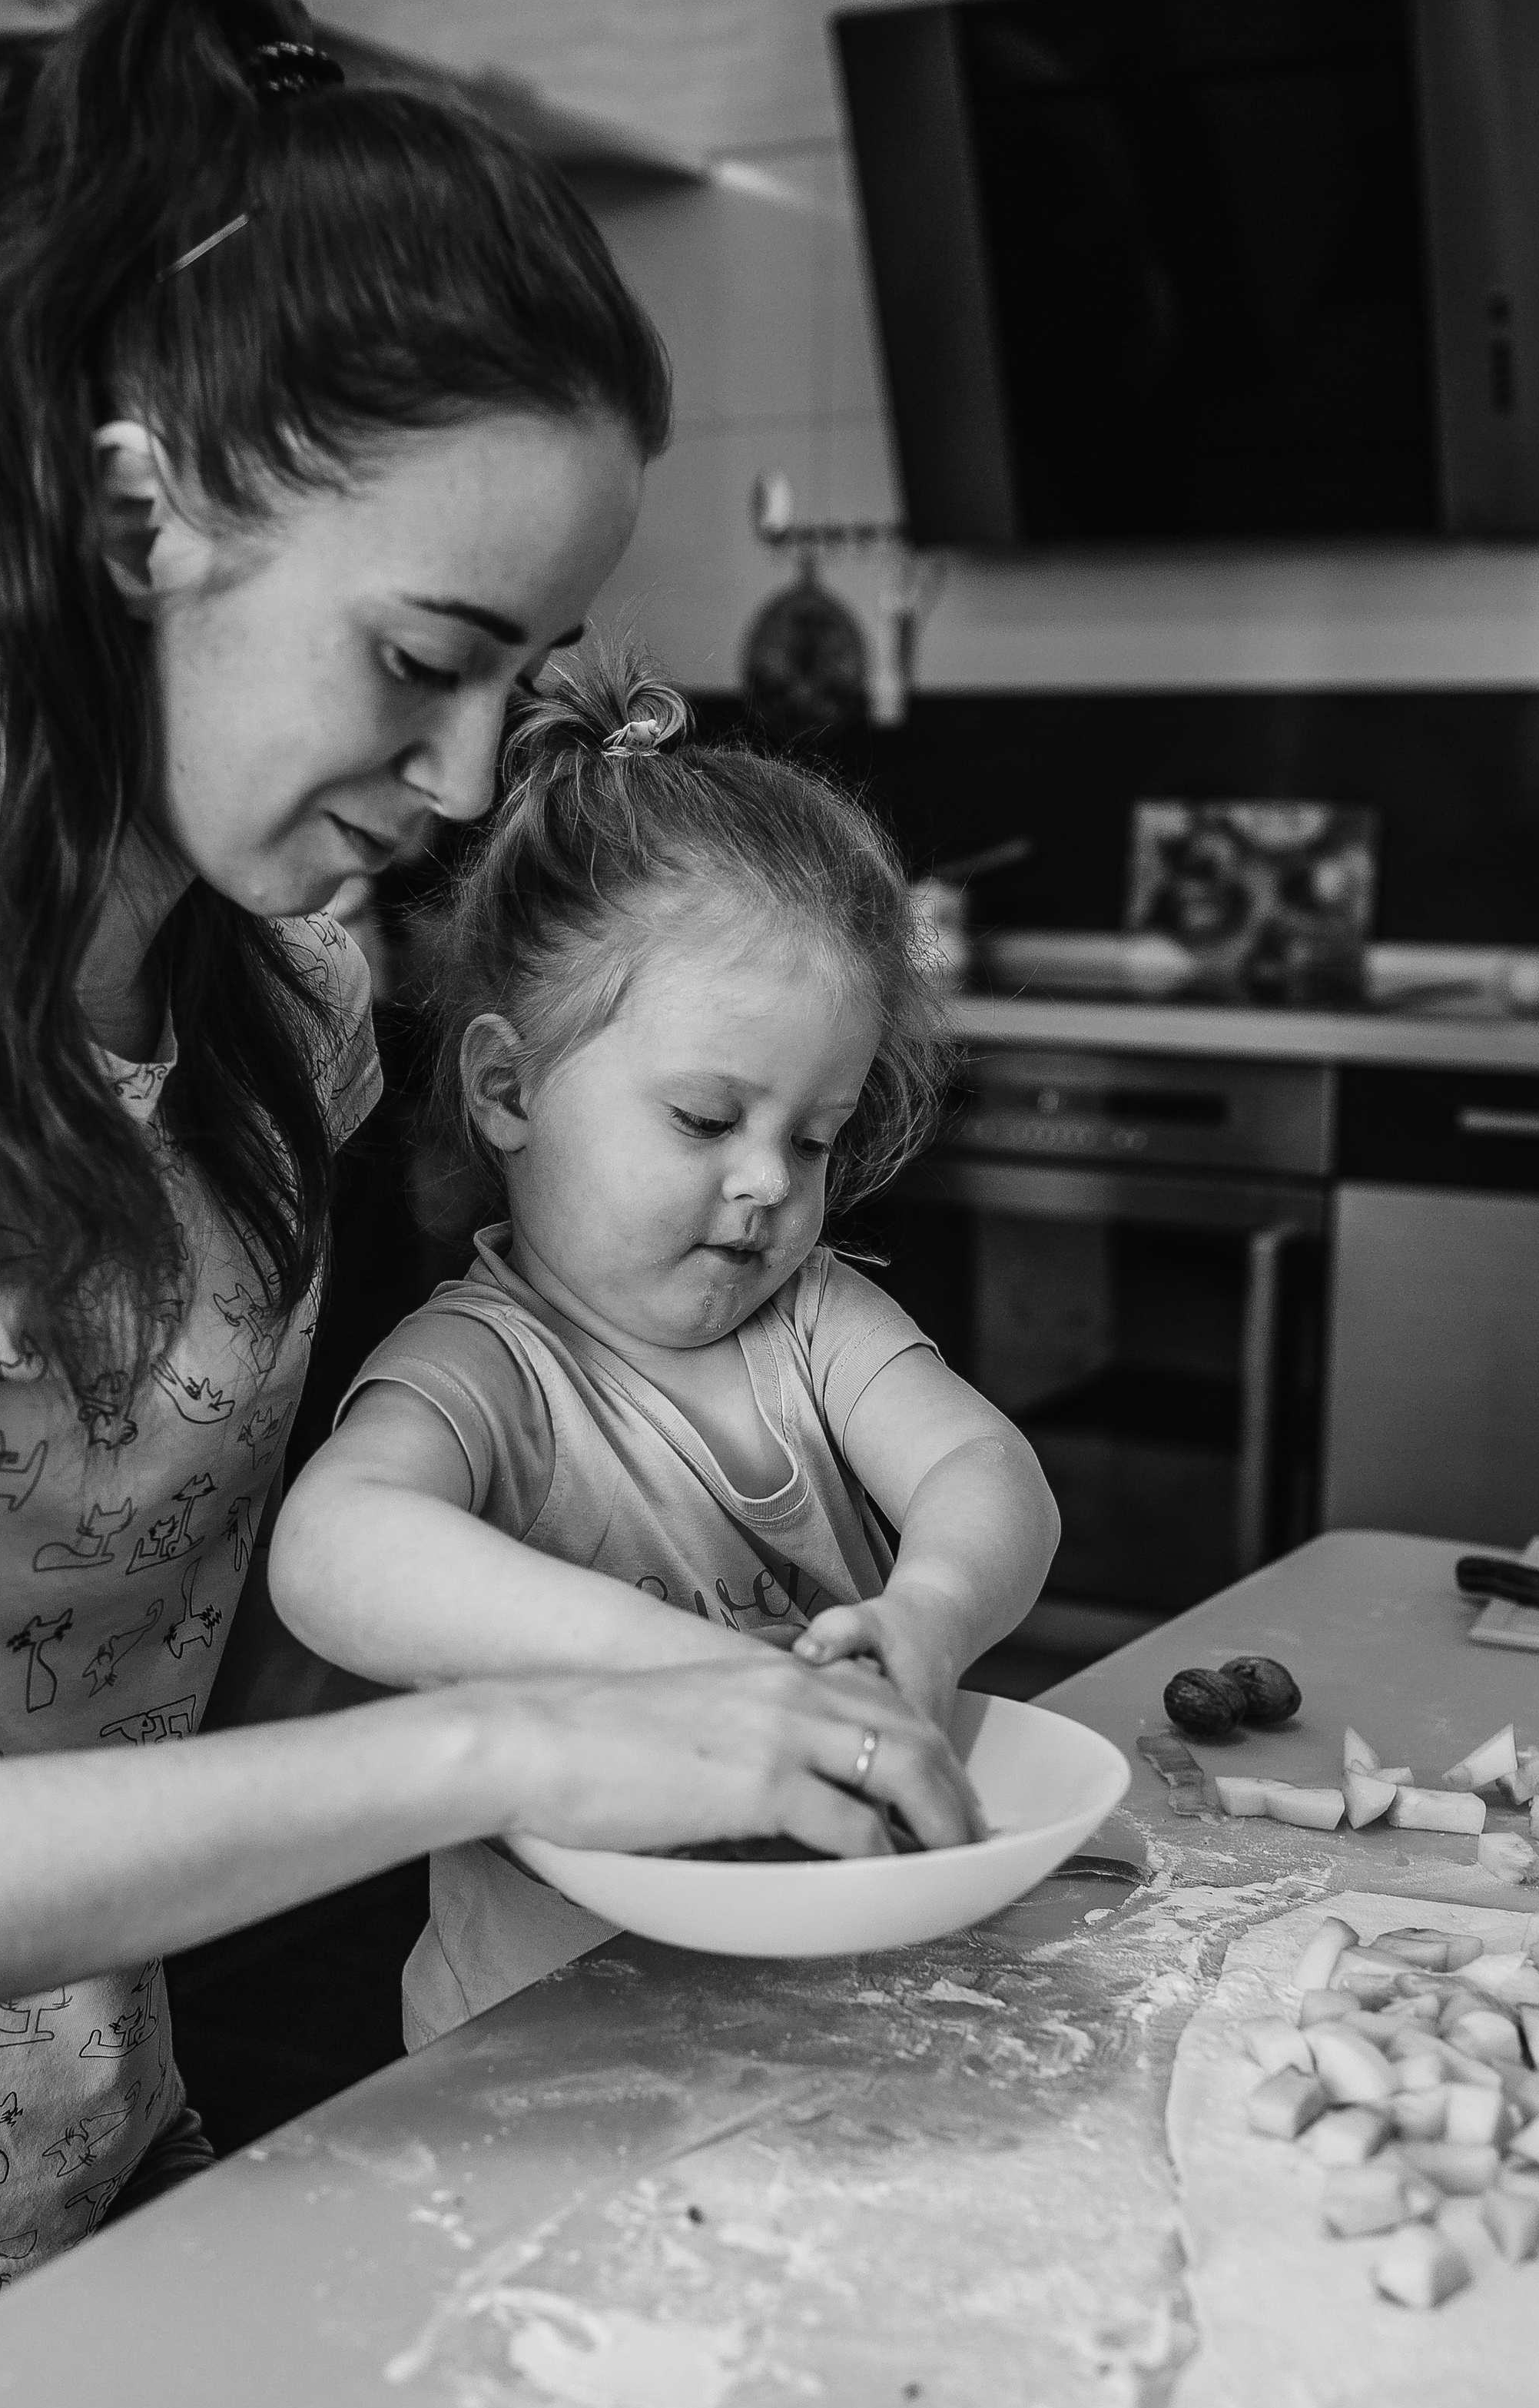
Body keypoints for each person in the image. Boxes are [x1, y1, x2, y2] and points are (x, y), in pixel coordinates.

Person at [0, 0, 980, 2408]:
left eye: (533, 665)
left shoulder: (274, 992)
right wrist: (508, 1722)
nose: (474, 756)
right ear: (139, 515)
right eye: (423, 657)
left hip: (102, 2203)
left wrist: (690, 1666)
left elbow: (210, 1654)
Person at [271, 656, 1060, 2046]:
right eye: (706, 1121)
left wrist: (931, 1614)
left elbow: (987, 1472)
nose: (768, 1184)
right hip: (537, 2053)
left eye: (810, 1138)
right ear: (510, 1088)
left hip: (835, 2001)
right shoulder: (482, 1372)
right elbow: (332, 1553)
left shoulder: (811, 1322)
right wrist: (673, 1665)